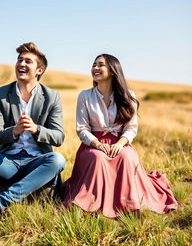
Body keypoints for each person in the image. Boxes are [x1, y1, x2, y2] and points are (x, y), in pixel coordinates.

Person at [63, 54, 178, 218]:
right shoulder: (85, 96)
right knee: (98, 158)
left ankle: (129, 204)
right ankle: (91, 204)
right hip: (92, 143)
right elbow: (82, 129)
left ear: (112, 70)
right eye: (93, 64)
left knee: (126, 157)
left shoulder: (128, 96)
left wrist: (120, 144)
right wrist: (97, 144)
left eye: (100, 65)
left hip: (120, 141)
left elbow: (131, 128)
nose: (95, 68)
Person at [0, 42, 66, 228]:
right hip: (8, 161)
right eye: (19, 60)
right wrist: (14, 131)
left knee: (58, 160)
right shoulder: (1, 94)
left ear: (39, 70)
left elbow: (59, 137)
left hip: (36, 161)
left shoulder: (52, 97)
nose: (21, 64)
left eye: (28, 61)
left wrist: (36, 129)